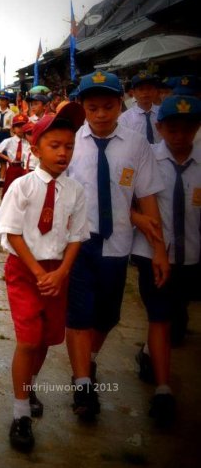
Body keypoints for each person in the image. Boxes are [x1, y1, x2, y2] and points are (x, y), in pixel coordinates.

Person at [65, 72, 167, 422]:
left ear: (120, 103)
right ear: (82, 107)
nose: (101, 115)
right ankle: (82, 385)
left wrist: (160, 252)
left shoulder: (136, 144)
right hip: (77, 243)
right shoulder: (69, 144)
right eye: (92, 108)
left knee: (108, 316)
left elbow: (148, 197)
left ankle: (89, 359)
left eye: (108, 106)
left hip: (117, 241)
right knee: (78, 315)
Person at [0, 103, 88, 452]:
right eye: (55, 145)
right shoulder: (22, 187)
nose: (63, 152)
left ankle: (30, 385)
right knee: (29, 339)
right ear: (35, 150)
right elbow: (12, 233)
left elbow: (78, 235)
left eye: (69, 146)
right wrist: (38, 272)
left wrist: (62, 272)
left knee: (48, 338)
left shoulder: (76, 191)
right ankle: (20, 413)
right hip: (25, 270)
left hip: (57, 271)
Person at [131, 94, 200, 427]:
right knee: (159, 315)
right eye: (172, 128)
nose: (179, 135)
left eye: (187, 128)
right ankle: (163, 389)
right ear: (159, 127)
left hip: (193, 257)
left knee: (174, 317)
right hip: (152, 253)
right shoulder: (146, 159)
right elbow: (123, 199)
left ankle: (148, 352)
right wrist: (138, 219)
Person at [119, 71, 161, 144]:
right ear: (133, 93)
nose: (145, 92)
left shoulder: (162, 113)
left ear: (155, 91)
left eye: (149, 88)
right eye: (141, 89)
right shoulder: (125, 118)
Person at [0, 114, 30, 197]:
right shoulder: (9, 141)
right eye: (18, 127)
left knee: (22, 190)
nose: (20, 129)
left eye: (23, 126)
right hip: (13, 167)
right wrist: (8, 159)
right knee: (9, 189)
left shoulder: (28, 142)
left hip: (24, 168)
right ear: (13, 129)